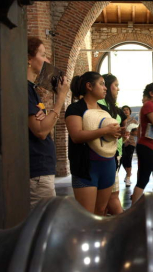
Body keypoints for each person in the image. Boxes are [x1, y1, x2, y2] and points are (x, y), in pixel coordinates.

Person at [65, 71, 121, 215]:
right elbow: (76, 136)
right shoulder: (75, 109)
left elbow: (108, 136)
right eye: (101, 84)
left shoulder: (104, 110)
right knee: (86, 215)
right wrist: (105, 131)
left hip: (107, 164)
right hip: (86, 168)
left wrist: (117, 133)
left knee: (101, 211)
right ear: (89, 86)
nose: (105, 88)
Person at [27, 37, 70, 209]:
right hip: (37, 172)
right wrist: (60, 99)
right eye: (43, 55)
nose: (47, 60)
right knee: (42, 226)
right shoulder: (25, 90)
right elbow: (41, 130)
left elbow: (43, 123)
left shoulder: (32, 90)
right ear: (29, 59)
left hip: (41, 170)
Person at [100, 74, 126, 215]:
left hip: (117, 150)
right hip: (106, 153)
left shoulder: (112, 105)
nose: (118, 89)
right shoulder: (100, 106)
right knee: (107, 197)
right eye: (115, 85)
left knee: (112, 194)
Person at [121, 105, 138, 187]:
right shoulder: (120, 120)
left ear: (130, 111)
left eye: (127, 110)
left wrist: (130, 133)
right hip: (121, 142)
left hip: (131, 143)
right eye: (124, 110)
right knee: (123, 160)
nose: (125, 111)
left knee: (128, 160)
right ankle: (128, 173)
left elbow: (137, 133)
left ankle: (128, 178)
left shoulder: (134, 121)